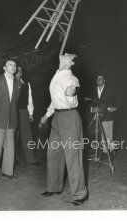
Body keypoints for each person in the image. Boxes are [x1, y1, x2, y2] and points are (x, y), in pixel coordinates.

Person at [40, 53, 88, 206]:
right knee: (53, 152)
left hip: (69, 117)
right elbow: (55, 100)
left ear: (71, 62)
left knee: (72, 156)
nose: (65, 53)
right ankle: (54, 187)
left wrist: (71, 94)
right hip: (57, 118)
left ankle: (80, 194)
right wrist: (47, 115)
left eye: (69, 55)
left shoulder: (71, 78)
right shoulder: (57, 74)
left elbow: (72, 96)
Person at [89, 74, 120, 157]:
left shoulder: (109, 89)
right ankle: (102, 152)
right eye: (97, 78)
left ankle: (111, 151)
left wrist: (115, 107)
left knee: (108, 134)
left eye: (101, 78)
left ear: (104, 81)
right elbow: (90, 100)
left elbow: (118, 98)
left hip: (107, 115)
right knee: (99, 134)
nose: (99, 80)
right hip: (97, 115)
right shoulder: (93, 90)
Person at [15, 66, 38, 165]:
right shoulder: (9, 83)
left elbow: (30, 100)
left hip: (24, 112)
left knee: (28, 136)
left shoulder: (26, 84)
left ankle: (31, 159)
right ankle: (14, 159)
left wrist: (31, 113)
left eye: (21, 70)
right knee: (14, 136)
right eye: (17, 70)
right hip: (12, 112)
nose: (19, 72)